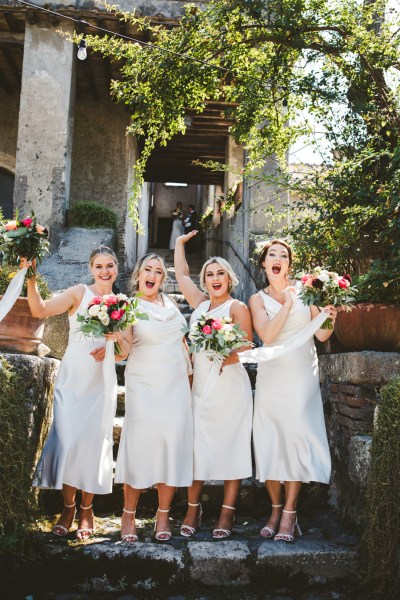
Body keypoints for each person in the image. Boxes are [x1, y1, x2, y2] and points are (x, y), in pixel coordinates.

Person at [22, 247, 126, 541]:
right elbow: (39, 310)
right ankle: (67, 508)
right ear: (91, 269)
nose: (105, 271)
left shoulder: (123, 303)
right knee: (68, 440)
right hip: (73, 377)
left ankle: (86, 510)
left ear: (116, 268)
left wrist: (112, 344)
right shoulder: (78, 293)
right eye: (99, 266)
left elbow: (124, 353)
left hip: (101, 381)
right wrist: (31, 276)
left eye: (110, 266)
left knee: (92, 444)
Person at [247, 239, 336, 542]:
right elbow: (268, 336)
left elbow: (322, 334)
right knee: (271, 441)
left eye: (283, 255)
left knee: (295, 441)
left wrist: (329, 318)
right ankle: (275, 509)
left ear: (289, 264)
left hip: (301, 377)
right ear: (264, 263)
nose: (278, 259)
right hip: (271, 377)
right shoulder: (256, 300)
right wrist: (286, 304)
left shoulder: (307, 290)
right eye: (272, 254)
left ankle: (289, 513)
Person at [174, 230, 253, 539]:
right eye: (209, 274)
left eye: (220, 272)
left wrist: (225, 354)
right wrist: (180, 244)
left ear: (228, 279)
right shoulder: (200, 305)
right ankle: (193, 509)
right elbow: (180, 274)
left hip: (229, 387)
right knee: (196, 449)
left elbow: (247, 346)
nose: (215, 277)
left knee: (232, 448)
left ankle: (226, 514)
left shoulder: (237, 308)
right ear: (205, 281)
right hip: (199, 386)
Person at [111, 253, 193, 543]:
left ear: (162, 279)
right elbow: (123, 352)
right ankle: (128, 514)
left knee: (170, 446)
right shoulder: (128, 306)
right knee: (139, 445)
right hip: (144, 385)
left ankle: (162, 514)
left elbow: (183, 343)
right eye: (148, 269)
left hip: (176, 387)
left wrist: (191, 376)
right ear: (138, 274)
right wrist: (114, 338)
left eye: (158, 271)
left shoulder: (170, 304)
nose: (153, 275)